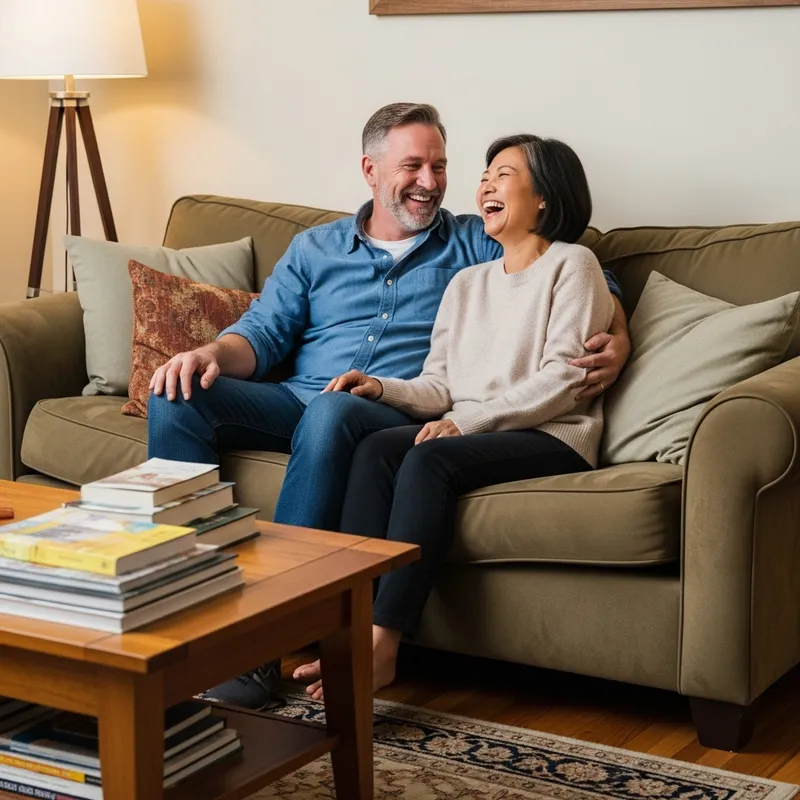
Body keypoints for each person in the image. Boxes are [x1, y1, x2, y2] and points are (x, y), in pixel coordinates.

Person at [147, 103, 631, 710]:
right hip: (304, 398)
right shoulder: (315, 247)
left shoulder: (471, 241)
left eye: (440, 166)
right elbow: (263, 334)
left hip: (381, 413)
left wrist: (620, 334)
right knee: (178, 393)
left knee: (334, 414)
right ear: (370, 170)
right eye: (412, 166)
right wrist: (209, 352)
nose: (430, 181)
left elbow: (572, 267)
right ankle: (183, 605)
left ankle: (260, 644)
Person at [293, 133, 615, 700]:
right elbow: (440, 385)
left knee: (428, 460)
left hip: (552, 433)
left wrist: (467, 424)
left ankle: (383, 646)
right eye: (485, 175)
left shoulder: (574, 264)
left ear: (543, 196)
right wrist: (381, 387)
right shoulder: (467, 283)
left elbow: (565, 378)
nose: (485, 184)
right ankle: (348, 631)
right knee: (376, 449)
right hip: (473, 430)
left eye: (504, 175)